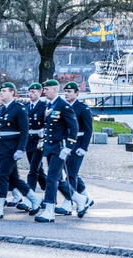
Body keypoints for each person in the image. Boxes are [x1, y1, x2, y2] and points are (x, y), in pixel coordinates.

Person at [0, 82, 43, 219]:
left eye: (4, 91)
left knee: (1, 176)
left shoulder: (19, 109)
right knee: (13, 178)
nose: (1, 93)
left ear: (12, 92)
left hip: (11, 148)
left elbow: (24, 131)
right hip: (0, 148)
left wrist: (20, 149)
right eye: (1, 91)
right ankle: (34, 198)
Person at [34, 79, 88, 223]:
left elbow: (74, 127)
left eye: (46, 89)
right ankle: (79, 199)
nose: (44, 91)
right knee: (58, 179)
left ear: (54, 90)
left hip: (60, 148)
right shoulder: (50, 105)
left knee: (51, 178)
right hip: (50, 147)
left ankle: (49, 210)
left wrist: (68, 147)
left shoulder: (63, 106)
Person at [56, 82, 94, 215]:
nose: (66, 94)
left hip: (77, 144)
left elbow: (89, 130)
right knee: (71, 173)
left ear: (77, 93)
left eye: (70, 91)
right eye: (65, 91)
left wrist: (84, 147)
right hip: (65, 143)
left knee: (70, 173)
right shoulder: (63, 106)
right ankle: (86, 197)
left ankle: (68, 203)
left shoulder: (82, 109)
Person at [24, 82, 47, 192]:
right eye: (29, 92)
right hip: (29, 140)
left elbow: (48, 123)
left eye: (33, 92)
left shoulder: (43, 107)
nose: (30, 94)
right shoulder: (26, 107)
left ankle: (30, 194)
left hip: (39, 141)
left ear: (40, 92)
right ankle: (48, 189)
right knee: (38, 169)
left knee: (33, 168)